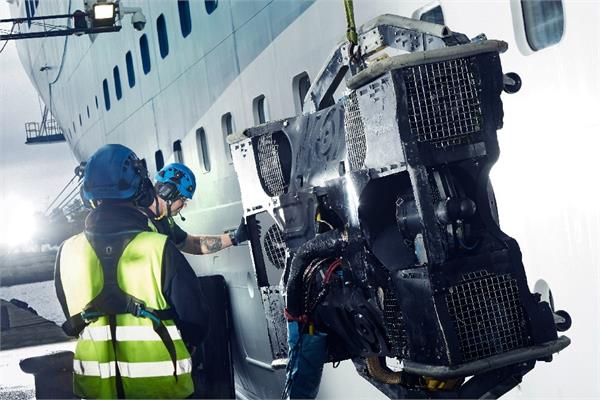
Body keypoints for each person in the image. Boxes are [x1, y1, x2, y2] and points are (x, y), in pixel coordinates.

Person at [54, 144, 210, 398]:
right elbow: (197, 323)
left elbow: (72, 321)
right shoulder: (159, 248)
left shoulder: (66, 252)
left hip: (95, 391)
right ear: (141, 189)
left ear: (89, 195)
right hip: (161, 391)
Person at [145, 162, 253, 254]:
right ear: (168, 192)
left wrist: (235, 237)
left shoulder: (164, 221)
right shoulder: (142, 223)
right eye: (183, 199)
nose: (184, 205)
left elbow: (195, 244)